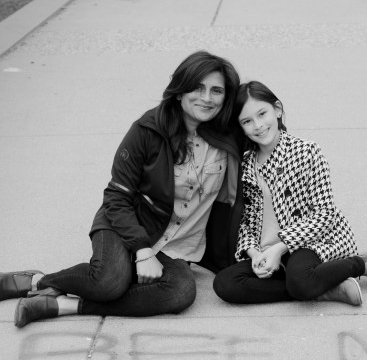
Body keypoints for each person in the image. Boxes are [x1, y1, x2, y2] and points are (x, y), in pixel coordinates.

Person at [0, 51, 243, 328]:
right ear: (179, 92)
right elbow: (116, 196)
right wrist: (142, 251)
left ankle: (64, 305)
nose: (207, 98)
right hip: (125, 224)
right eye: (197, 88)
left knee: (181, 292)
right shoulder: (148, 130)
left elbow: (264, 126)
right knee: (108, 282)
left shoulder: (229, 136)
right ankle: (36, 281)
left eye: (216, 91)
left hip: (176, 247)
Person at [213, 81, 367, 309]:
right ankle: (325, 287)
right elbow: (245, 221)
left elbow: (325, 214)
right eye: (247, 121)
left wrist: (281, 247)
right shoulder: (245, 164)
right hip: (269, 250)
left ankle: (366, 263)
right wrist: (254, 253)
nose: (258, 125)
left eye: (262, 114)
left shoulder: (306, 152)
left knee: (300, 277)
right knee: (225, 284)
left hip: (310, 242)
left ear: (277, 110)